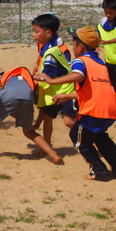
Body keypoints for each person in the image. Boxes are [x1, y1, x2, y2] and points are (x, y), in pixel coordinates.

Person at [40, 26, 116, 180]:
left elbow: (78, 76)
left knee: (78, 137)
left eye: (73, 43)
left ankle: (99, 171)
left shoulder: (81, 61)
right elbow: (95, 89)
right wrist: (68, 96)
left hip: (94, 111)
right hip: (110, 110)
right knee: (100, 137)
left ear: (80, 47)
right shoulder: (101, 63)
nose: (72, 46)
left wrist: (52, 81)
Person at [31, 13, 77, 150]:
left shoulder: (52, 52)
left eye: (36, 31)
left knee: (69, 122)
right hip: (54, 92)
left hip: (65, 91)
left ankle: (93, 139)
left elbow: (46, 77)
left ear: (48, 33)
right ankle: (47, 147)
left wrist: (29, 76)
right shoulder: (45, 45)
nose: (33, 35)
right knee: (47, 118)